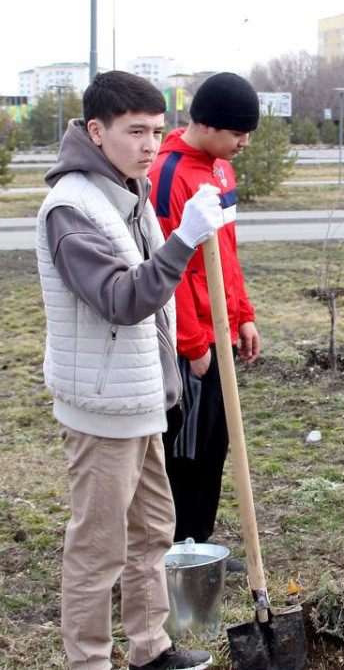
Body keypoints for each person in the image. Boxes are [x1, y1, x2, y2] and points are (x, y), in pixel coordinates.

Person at [36, 71, 215, 670]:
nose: (149, 146)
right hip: (101, 405)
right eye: (135, 131)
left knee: (153, 532)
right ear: (96, 130)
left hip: (140, 398)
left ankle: (151, 648)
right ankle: (89, 661)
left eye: (158, 132)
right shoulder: (72, 207)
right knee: (98, 547)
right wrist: (184, 240)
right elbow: (121, 298)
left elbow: (158, 299)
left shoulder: (127, 191)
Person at [147, 72, 262, 554]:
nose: (244, 143)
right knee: (186, 445)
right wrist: (193, 344)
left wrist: (242, 316)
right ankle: (174, 547)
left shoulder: (221, 170)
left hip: (220, 330)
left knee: (215, 440)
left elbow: (226, 256)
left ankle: (201, 539)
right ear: (208, 125)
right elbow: (166, 267)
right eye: (238, 133)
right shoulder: (167, 174)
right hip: (187, 337)